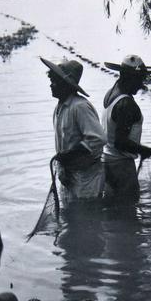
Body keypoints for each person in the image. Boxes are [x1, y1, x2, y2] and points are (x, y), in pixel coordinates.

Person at [101, 54, 151, 200]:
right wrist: (150, 151)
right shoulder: (126, 104)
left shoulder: (111, 92)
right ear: (127, 77)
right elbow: (120, 142)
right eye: (139, 79)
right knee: (129, 210)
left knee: (113, 210)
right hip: (121, 167)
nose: (141, 84)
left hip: (106, 162)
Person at [41, 57, 105, 201]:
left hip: (87, 178)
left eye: (54, 82)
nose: (51, 85)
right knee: (72, 214)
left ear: (65, 84)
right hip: (69, 174)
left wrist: (69, 155)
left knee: (87, 214)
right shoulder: (59, 108)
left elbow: (98, 139)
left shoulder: (80, 107)